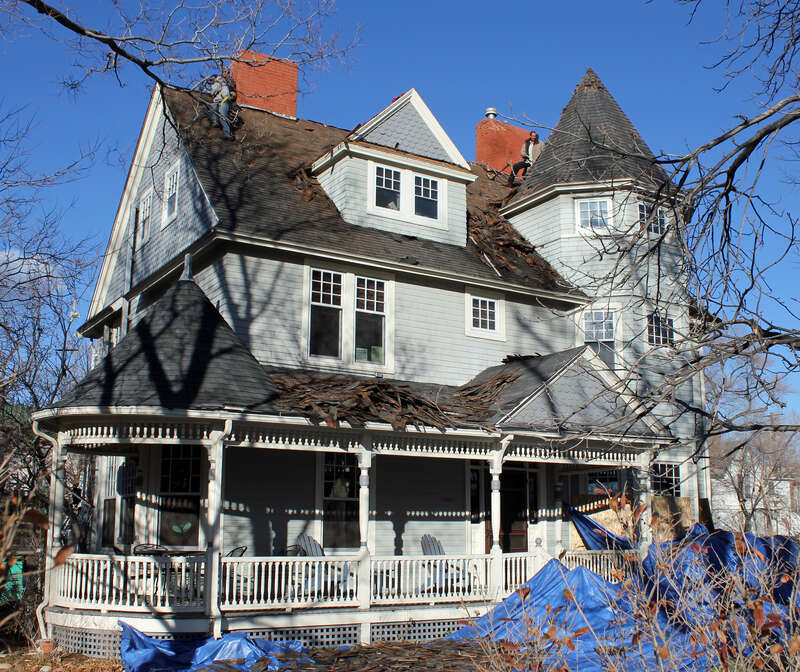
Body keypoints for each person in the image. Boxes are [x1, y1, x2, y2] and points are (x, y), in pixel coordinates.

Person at [203, 73, 234, 139]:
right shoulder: (217, 82)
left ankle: (229, 135)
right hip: (218, 101)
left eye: (211, 81)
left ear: (214, 77)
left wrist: (204, 90)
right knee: (208, 107)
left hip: (224, 101)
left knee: (222, 116)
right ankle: (215, 121)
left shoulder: (219, 80)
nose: (211, 83)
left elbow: (213, 91)